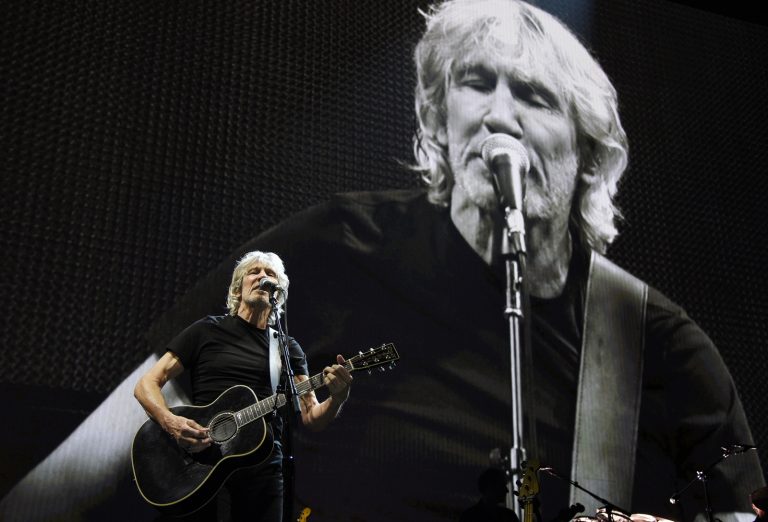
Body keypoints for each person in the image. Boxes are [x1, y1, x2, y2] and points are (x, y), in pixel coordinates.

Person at [1, 1, 764, 521]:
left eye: (533, 96)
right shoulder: (340, 244)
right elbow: (90, 462)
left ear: (588, 151)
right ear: (440, 116)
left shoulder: (654, 341)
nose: (498, 112)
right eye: (476, 82)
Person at [133, 250, 352, 521]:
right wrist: (171, 423)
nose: (262, 276)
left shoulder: (286, 348)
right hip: (201, 460)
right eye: (254, 272)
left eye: (270, 274)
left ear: (279, 293)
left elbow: (311, 414)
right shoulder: (206, 330)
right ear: (238, 288)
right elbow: (146, 384)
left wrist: (337, 398)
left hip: (262, 469)